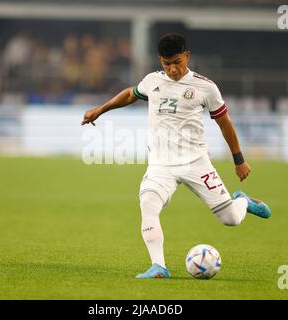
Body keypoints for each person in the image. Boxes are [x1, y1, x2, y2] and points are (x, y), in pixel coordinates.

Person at [81, 33, 271, 279]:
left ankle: (243, 201)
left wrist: (239, 160)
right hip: (161, 165)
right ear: (160, 60)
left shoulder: (205, 87)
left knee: (232, 219)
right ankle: (159, 266)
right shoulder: (152, 81)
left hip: (196, 162)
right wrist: (100, 110)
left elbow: (224, 123)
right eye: (166, 64)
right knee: (148, 204)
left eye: (177, 63)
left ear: (187, 57)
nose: (172, 69)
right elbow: (130, 94)